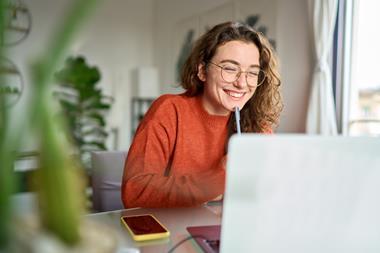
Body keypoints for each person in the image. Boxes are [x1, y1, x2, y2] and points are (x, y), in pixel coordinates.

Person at [121, 21, 282, 208]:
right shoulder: (169, 110)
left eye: (252, 73)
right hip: (170, 233)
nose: (242, 83)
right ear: (202, 71)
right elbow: (135, 191)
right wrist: (218, 178)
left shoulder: (257, 127)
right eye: (230, 69)